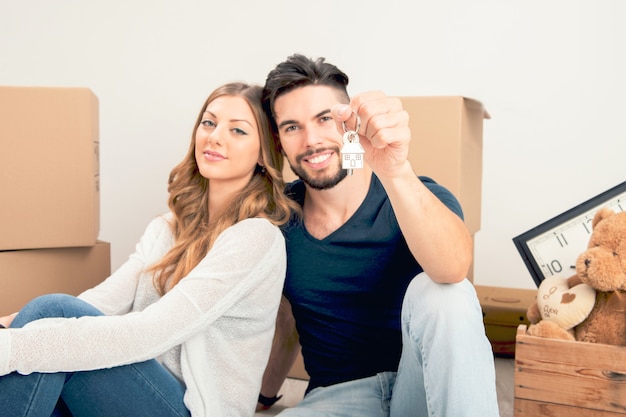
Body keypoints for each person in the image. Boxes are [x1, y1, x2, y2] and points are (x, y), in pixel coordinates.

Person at [0, 82, 300, 417]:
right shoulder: (167, 226)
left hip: (191, 410)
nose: (215, 137)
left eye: (238, 131)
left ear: (262, 154)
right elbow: (104, 301)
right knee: (49, 314)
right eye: (209, 122)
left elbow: (150, 332)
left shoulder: (256, 238)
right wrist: (19, 325)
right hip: (141, 392)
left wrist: (12, 348)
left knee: (45, 327)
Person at [256, 54, 500, 416]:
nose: (312, 140)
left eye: (325, 119)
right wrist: (263, 399)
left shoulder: (416, 193)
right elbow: (287, 319)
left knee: (444, 292)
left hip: (422, 389)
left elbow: (454, 270)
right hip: (337, 400)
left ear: (350, 124)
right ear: (279, 140)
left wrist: (396, 171)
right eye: (293, 127)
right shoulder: (278, 218)